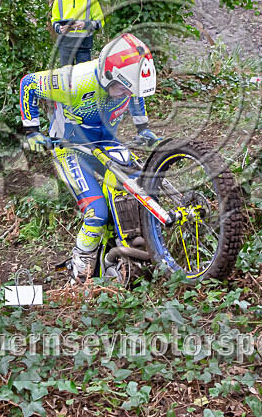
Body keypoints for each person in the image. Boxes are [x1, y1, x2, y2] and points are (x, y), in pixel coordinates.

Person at [19, 33, 160, 284]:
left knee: (140, 191)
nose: (124, 94)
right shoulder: (73, 81)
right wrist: (32, 131)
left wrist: (143, 128)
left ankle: (124, 255)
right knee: (96, 212)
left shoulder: (128, 85)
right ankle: (79, 277)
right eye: (121, 88)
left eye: (129, 89)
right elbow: (28, 83)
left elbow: (136, 95)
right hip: (69, 147)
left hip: (106, 143)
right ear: (107, 75)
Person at [51, 0, 105, 66]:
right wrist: (59, 28)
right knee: (66, 77)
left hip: (84, 44)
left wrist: (85, 24)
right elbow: (54, 21)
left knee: (82, 78)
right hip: (65, 44)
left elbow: (100, 21)